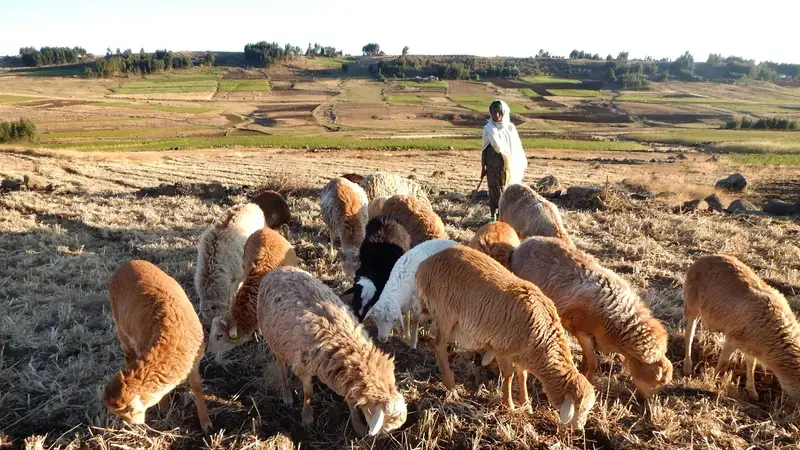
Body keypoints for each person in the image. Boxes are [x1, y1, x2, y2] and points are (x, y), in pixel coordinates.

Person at [480, 99, 528, 221]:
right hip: (493, 166)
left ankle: (505, 216)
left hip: (507, 167)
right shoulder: (488, 128)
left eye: (498, 112)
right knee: (494, 191)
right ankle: (493, 216)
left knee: (507, 191)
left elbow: (516, 149)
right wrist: (483, 166)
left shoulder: (510, 128)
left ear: (504, 113)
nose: (496, 115)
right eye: (493, 112)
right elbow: (484, 149)